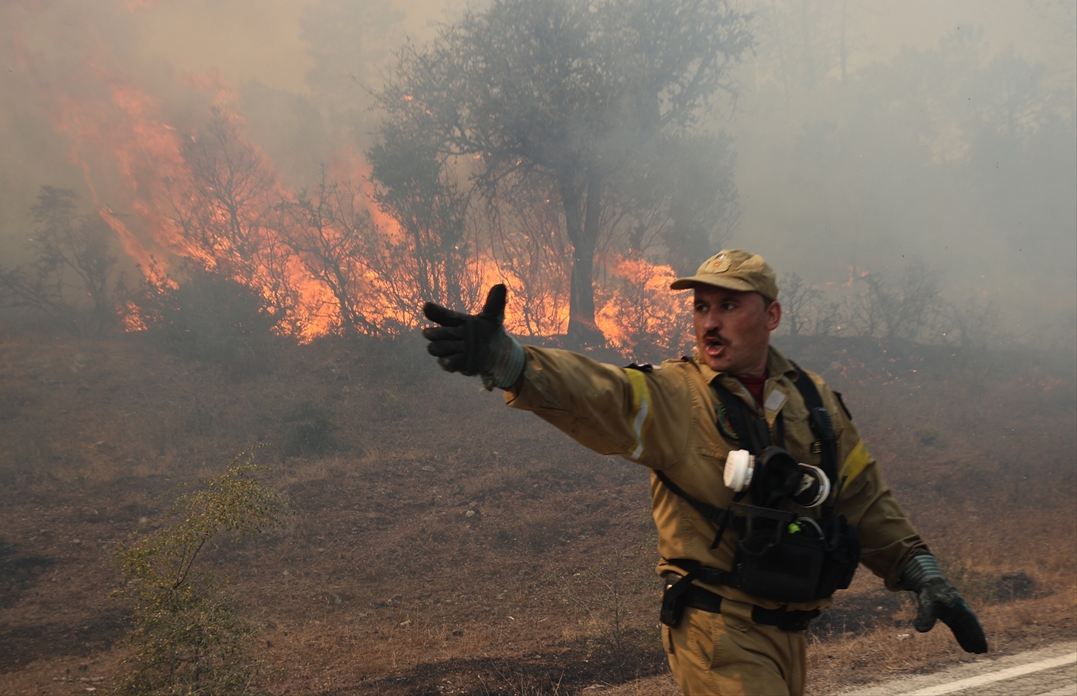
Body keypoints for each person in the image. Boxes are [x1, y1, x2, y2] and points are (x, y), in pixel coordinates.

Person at [422, 249, 986, 696]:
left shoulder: (815, 403)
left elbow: (863, 499)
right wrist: (507, 360)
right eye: (701, 308)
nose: (709, 323)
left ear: (771, 315)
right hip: (718, 632)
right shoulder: (677, 396)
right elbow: (601, 393)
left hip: (789, 636)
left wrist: (922, 571)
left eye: (728, 307)